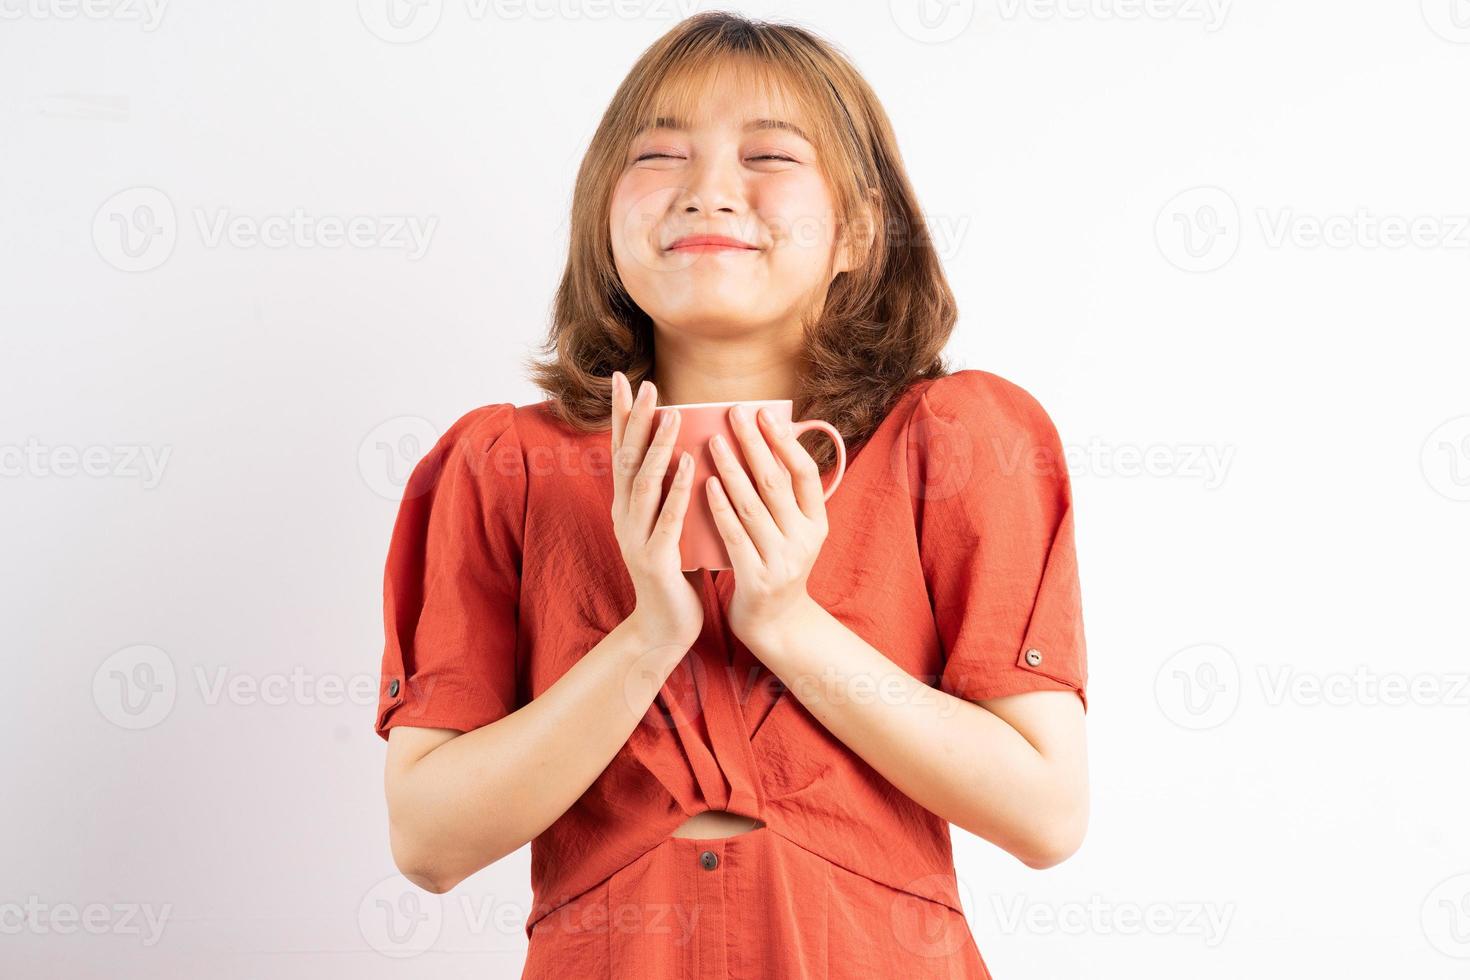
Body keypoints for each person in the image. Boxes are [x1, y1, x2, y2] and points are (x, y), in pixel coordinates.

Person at [374, 12, 1089, 978]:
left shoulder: (961, 442)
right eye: (661, 152)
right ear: (604, 218)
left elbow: (1046, 812)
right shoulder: (502, 464)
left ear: (859, 230)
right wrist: (647, 633)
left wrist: (786, 621)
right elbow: (428, 840)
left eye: (770, 155)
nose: (709, 191)